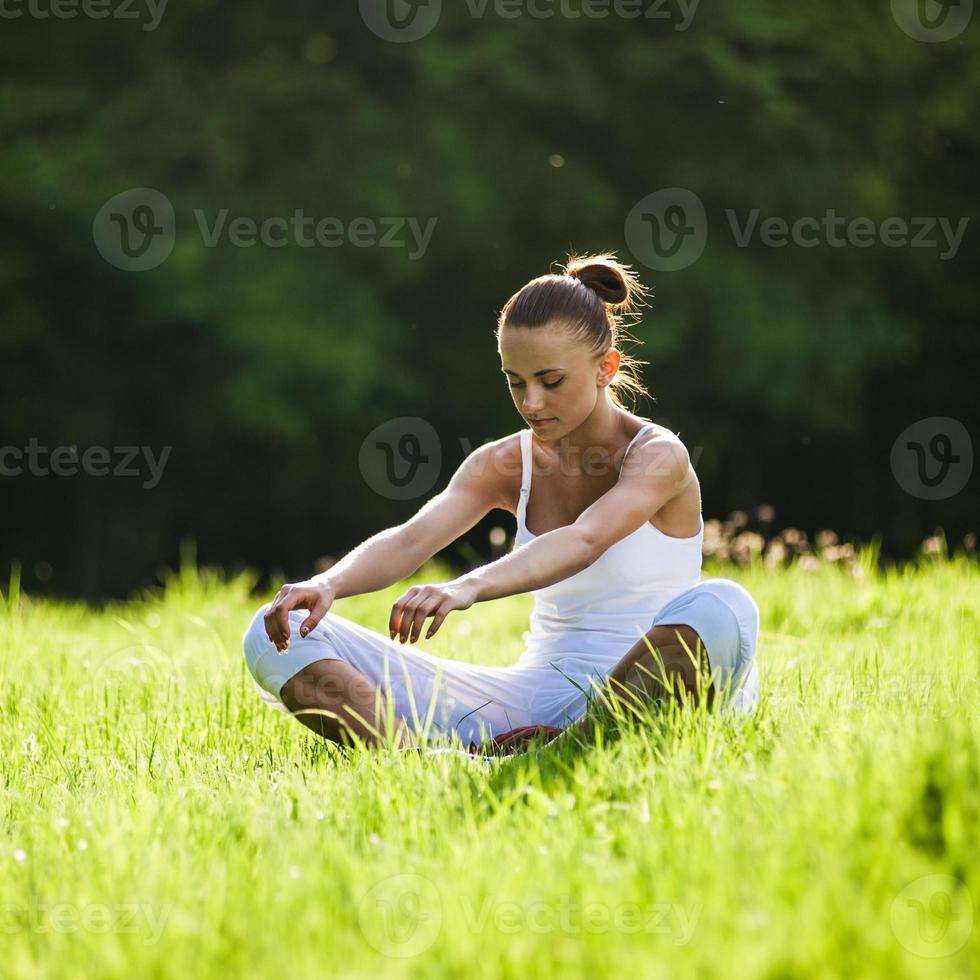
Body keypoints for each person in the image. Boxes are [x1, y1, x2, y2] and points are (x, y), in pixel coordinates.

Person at [241, 252, 760, 752]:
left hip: (652, 684)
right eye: (516, 383)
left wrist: (467, 587)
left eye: (551, 382)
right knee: (272, 632)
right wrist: (325, 585)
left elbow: (584, 540)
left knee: (724, 606)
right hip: (535, 697)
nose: (531, 403)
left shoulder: (658, 455)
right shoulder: (504, 463)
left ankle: (567, 750)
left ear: (607, 367)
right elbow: (413, 539)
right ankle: (423, 764)